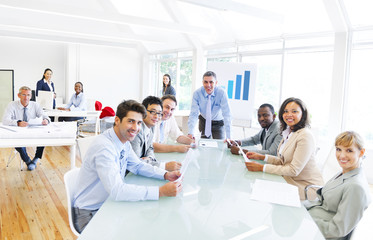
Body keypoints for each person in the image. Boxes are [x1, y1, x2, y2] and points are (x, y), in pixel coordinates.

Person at [72, 99, 182, 233]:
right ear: (117, 120)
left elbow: (138, 166)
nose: (135, 128)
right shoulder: (104, 148)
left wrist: (165, 174)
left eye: (139, 123)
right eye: (131, 121)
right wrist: (160, 192)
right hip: (89, 213)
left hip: (108, 204)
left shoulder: (123, 141)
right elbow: (117, 190)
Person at [244, 97, 323, 200]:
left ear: (302, 114)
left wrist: (262, 167)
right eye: (286, 111)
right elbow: (283, 161)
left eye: (294, 111)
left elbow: (293, 170)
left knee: (263, 192)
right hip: (290, 180)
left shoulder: (305, 136)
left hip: (304, 187)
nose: (289, 114)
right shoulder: (289, 132)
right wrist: (262, 157)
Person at [305, 131, 371, 240]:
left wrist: (305, 222)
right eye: (338, 149)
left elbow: (337, 230)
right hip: (312, 217)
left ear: (361, 152)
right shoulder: (345, 172)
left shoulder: (356, 187)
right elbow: (323, 202)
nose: (342, 155)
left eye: (349, 150)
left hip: (319, 232)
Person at [2, 86, 50, 171]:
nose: (26, 97)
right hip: (18, 132)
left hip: (32, 132)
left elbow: (45, 116)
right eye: (24, 95)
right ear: (19, 95)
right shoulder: (12, 105)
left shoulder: (35, 105)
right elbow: (5, 120)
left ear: (31, 96)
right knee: (18, 142)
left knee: (43, 138)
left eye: (28, 95)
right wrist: (17, 122)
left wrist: (45, 120)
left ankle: (35, 159)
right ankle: (28, 161)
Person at [130, 96, 181, 171]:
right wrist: (164, 166)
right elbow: (135, 163)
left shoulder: (151, 126)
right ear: (143, 111)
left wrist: (149, 158)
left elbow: (150, 148)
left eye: (159, 113)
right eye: (153, 112)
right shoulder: (136, 130)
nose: (156, 116)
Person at [188, 71, 231, 139]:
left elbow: (227, 115)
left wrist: (229, 137)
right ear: (202, 82)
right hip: (203, 121)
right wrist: (190, 132)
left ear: (216, 83)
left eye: (211, 82)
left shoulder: (222, 93)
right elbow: (194, 114)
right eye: (206, 82)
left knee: (220, 146)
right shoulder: (197, 93)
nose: (208, 85)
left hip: (218, 123)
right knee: (203, 145)